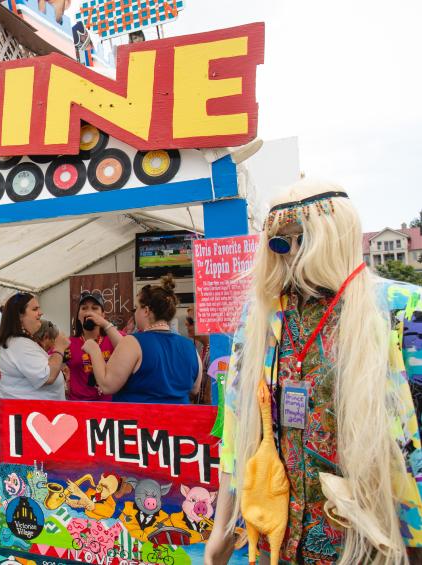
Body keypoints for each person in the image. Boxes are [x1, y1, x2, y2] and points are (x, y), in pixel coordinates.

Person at [205, 181, 422, 564]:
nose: (290, 251)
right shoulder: (262, 318)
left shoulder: (399, 309)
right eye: (279, 242)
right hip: (280, 536)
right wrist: (221, 528)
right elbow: (237, 431)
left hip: (372, 537)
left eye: (301, 238)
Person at [89, 275, 201, 404]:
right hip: (178, 415)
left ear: (146, 310)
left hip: (139, 416)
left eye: (136, 308)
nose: (135, 313)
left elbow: (107, 385)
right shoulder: (190, 347)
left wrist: (94, 349)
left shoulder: (133, 342)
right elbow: (195, 388)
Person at [0, 293, 69, 400]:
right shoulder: (19, 344)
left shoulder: (10, 343)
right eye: (35, 309)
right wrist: (59, 347)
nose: (41, 313)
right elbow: (48, 376)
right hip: (31, 410)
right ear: (20, 315)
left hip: (20, 408)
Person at [67, 291, 123, 401]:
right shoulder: (69, 343)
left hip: (110, 404)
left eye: (94, 308)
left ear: (103, 315)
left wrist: (105, 324)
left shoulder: (113, 337)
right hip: (79, 404)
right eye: (84, 308)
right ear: (78, 315)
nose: (89, 312)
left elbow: (128, 352)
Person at [184, 306, 211, 404]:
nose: (186, 323)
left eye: (190, 321)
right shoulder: (203, 349)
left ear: (205, 323)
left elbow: (209, 397)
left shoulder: (213, 353)